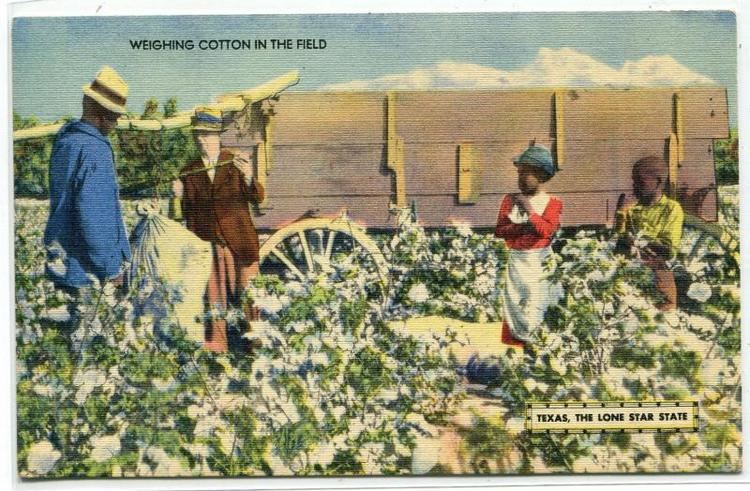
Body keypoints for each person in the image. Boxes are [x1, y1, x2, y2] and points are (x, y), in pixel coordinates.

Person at [172, 107, 265, 352]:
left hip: (240, 241)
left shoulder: (234, 162)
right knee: (214, 297)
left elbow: (256, 196)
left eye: (207, 134)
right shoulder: (189, 172)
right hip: (208, 243)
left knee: (249, 294)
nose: (202, 139)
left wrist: (248, 178)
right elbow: (186, 213)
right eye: (198, 134)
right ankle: (218, 346)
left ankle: (255, 344)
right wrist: (179, 196)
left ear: (218, 137)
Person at [44, 65, 131, 291]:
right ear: (105, 116)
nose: (117, 124)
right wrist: (111, 269)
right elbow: (94, 214)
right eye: (116, 118)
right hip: (87, 271)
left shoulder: (66, 141)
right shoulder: (95, 150)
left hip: (62, 261)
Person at [495, 143, 563, 348]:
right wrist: (522, 228)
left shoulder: (552, 203)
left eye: (527, 174)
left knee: (538, 303)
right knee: (517, 302)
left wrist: (530, 211)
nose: (522, 179)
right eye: (520, 173)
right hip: (518, 261)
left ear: (541, 176)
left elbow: (547, 231)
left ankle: (541, 349)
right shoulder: (510, 200)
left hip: (539, 262)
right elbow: (500, 230)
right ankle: (520, 351)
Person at [615, 156, 684, 311]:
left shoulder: (671, 208)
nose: (635, 186)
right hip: (632, 272)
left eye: (640, 182)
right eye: (634, 181)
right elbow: (618, 245)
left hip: (658, 273)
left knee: (663, 316)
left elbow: (668, 250)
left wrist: (641, 242)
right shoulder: (633, 208)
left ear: (659, 182)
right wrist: (621, 215)